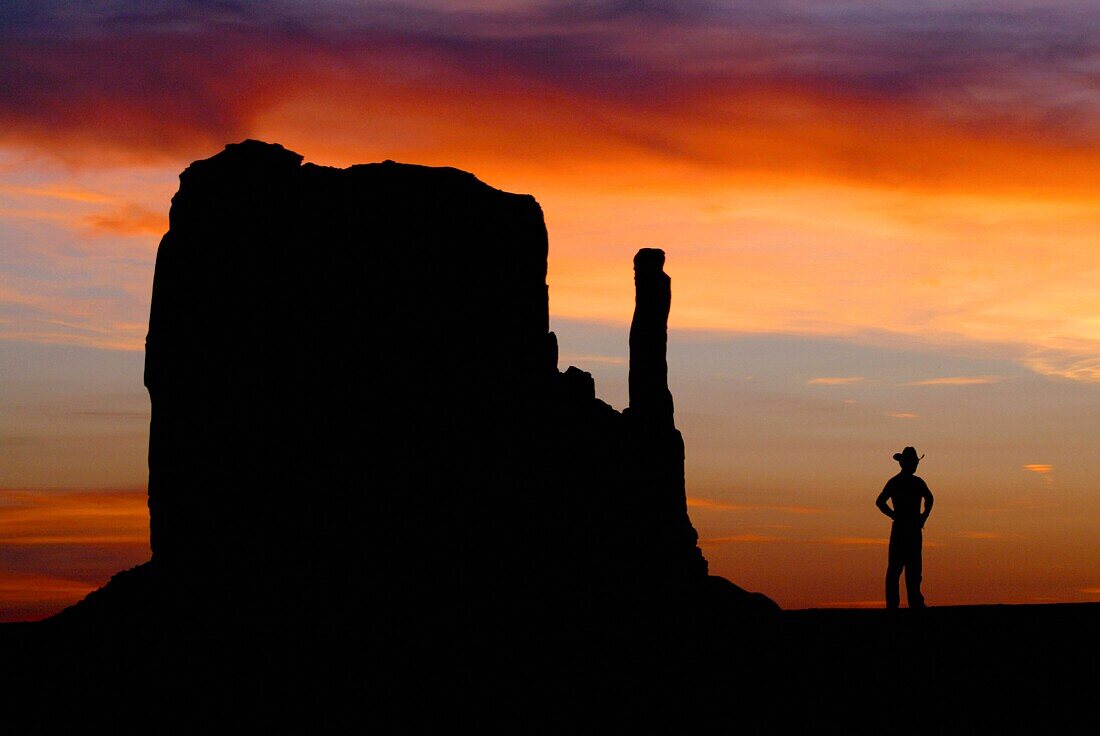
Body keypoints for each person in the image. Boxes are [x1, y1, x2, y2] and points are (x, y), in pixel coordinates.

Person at [876, 446, 934, 609]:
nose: (915, 465)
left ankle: (898, 605)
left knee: (902, 569)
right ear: (905, 463)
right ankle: (912, 603)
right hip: (909, 528)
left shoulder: (897, 482)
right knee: (908, 568)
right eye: (913, 462)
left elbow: (880, 502)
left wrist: (896, 515)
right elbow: (930, 499)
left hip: (904, 528)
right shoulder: (914, 482)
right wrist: (922, 517)